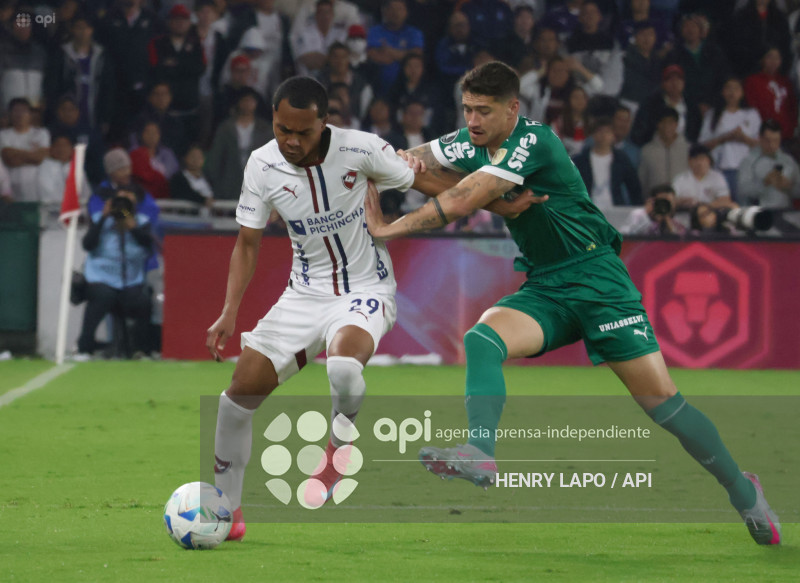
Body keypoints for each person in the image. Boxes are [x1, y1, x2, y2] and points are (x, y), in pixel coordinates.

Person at [364, 61, 781, 547]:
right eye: (467, 109)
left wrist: (389, 228)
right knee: (483, 338)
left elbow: (461, 200)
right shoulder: (468, 140)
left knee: (662, 405)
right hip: (546, 285)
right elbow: (407, 160)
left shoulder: (534, 141)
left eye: (483, 111)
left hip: (598, 279)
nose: (472, 120)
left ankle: (743, 491)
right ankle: (480, 451)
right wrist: (398, 167)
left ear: (512, 109)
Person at [206, 75, 528, 541]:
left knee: (342, 366)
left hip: (365, 289)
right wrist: (229, 310)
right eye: (281, 130)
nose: (291, 141)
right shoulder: (261, 165)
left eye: (303, 131)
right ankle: (227, 514)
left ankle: (338, 450)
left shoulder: (362, 150)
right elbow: (247, 243)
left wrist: (503, 203)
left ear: (324, 122)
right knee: (236, 399)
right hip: (303, 295)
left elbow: (429, 181)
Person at [77, 187, 153, 358]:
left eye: (127, 203)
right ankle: (84, 347)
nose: (122, 209)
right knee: (102, 296)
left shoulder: (142, 222)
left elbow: (148, 245)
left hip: (131, 280)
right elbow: (87, 244)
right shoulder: (99, 219)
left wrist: (132, 227)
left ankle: (141, 350)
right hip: (101, 278)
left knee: (143, 301)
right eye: (119, 203)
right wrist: (104, 217)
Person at [698, 78, 761, 200]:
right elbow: (702, 146)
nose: (732, 92)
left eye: (736, 88)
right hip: (719, 170)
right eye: (728, 88)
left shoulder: (751, 114)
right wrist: (724, 138)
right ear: (722, 92)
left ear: (742, 93)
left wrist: (743, 138)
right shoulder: (712, 115)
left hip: (745, 170)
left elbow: (761, 145)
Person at [572, 116, 642, 209]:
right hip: (587, 210)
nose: (603, 135)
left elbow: (634, 187)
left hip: (615, 210)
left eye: (607, 132)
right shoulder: (580, 160)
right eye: (599, 131)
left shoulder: (621, 159)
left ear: (613, 136)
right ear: (593, 135)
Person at [737, 118, 800, 208]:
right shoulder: (748, 161)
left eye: (776, 140)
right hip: (759, 212)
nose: (772, 145)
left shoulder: (788, 161)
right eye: (768, 140)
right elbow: (742, 190)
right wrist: (764, 183)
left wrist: (789, 187)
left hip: (785, 210)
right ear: (760, 138)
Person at [0, 98, 50, 201]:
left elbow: (39, 158)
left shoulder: (41, 133)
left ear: (30, 114)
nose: (20, 114)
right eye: (16, 111)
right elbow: (9, 159)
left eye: (23, 110)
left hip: (37, 186)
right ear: (10, 114)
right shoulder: (3, 135)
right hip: (11, 186)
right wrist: (32, 154)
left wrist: (15, 152)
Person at [637, 107, 689, 195]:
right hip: (655, 201)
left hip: (682, 201)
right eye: (663, 122)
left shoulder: (688, 149)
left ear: (676, 124)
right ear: (657, 124)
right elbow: (642, 180)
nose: (666, 126)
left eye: (671, 122)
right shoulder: (647, 151)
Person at [671, 144, 734, 209]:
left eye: (702, 159)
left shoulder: (717, 177)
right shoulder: (680, 179)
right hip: (685, 216)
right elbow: (671, 200)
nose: (699, 163)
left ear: (709, 160)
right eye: (696, 159)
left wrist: (701, 206)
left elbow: (725, 200)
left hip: (709, 215)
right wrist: (681, 201)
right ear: (689, 161)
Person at [619, 183, 686, 236]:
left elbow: (680, 244)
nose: (664, 206)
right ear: (653, 201)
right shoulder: (639, 215)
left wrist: (667, 221)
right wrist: (647, 217)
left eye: (669, 202)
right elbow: (625, 236)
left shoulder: (679, 221)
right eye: (662, 202)